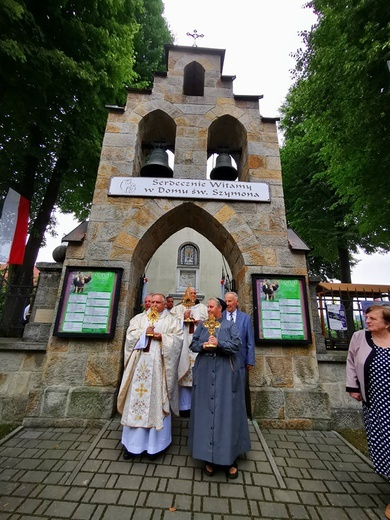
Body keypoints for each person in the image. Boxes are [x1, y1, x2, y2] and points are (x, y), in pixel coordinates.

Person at [189, 297, 251, 479]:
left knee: (226, 414)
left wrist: (219, 344)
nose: (208, 309)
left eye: (211, 306)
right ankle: (207, 457)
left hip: (225, 373)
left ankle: (229, 458)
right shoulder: (202, 325)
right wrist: (204, 345)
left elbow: (237, 344)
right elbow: (193, 344)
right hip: (205, 372)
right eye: (207, 306)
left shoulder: (230, 326)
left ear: (220, 309)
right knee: (206, 413)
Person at [117, 293, 183, 460]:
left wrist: (162, 337)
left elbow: (178, 340)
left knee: (156, 402)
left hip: (158, 369)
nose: (154, 305)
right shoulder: (139, 319)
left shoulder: (171, 321)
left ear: (164, 304)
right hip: (139, 367)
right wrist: (143, 333)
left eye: (158, 302)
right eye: (152, 301)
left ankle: (156, 446)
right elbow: (130, 335)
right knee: (135, 403)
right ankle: (132, 446)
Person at [346, 304, 390, 520]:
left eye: (372, 318)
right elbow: (352, 362)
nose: (367, 321)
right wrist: (353, 386)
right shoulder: (359, 337)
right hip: (376, 403)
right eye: (367, 317)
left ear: (387, 323)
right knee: (383, 443)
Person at [170, 287, 208, 416]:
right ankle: (184, 407)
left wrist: (201, 322)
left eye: (195, 293)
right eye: (191, 293)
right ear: (185, 294)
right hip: (184, 344)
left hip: (197, 345)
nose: (193, 295)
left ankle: (198, 406)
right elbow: (172, 325)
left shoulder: (203, 308)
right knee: (183, 376)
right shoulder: (177, 309)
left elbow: (211, 323)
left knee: (197, 377)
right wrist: (182, 317)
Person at [223, 291, 255, 379]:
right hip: (223, 360)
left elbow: (250, 341)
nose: (227, 304)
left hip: (240, 359)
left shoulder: (245, 318)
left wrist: (250, 360)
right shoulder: (220, 317)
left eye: (229, 301)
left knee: (239, 388)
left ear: (236, 302)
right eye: (225, 301)